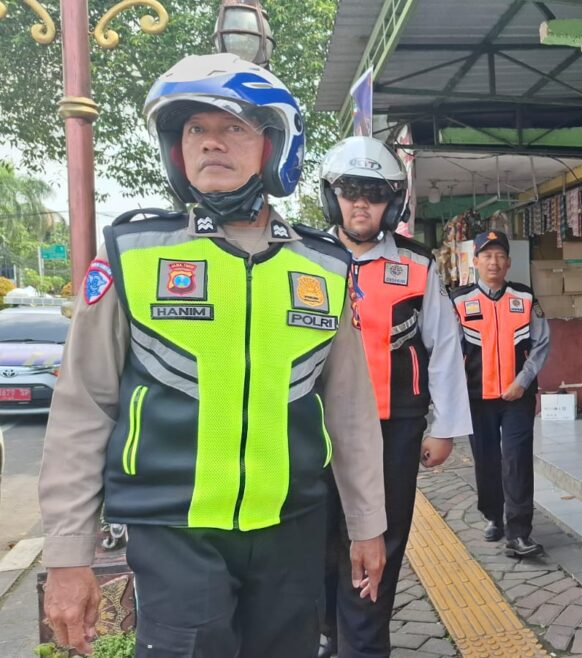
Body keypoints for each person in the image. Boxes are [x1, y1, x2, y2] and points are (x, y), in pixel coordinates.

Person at [38, 53, 388, 658]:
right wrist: (69, 554)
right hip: (173, 532)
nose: (210, 143)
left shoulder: (326, 267)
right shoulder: (132, 254)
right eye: (195, 129)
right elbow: (81, 408)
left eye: (233, 128)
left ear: (275, 146)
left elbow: (351, 411)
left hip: (292, 528)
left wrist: (368, 524)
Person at [316, 136, 473, 658]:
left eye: (375, 193)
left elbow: (445, 346)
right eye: (350, 190)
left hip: (393, 429)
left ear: (393, 202)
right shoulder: (303, 257)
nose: (361, 203)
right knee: (318, 544)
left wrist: (446, 427)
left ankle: (363, 647)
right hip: (313, 431)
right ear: (330, 195)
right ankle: (324, 636)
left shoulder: (418, 265)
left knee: (379, 545)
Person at [451, 231, 550, 558]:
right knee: (487, 461)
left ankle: (519, 531)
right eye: (487, 255)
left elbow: (541, 343)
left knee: (517, 460)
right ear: (475, 261)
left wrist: (522, 381)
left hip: (517, 397)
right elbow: (447, 351)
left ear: (508, 262)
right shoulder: (459, 301)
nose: (493, 262)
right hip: (476, 398)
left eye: (499, 256)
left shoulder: (524, 298)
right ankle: (494, 514)